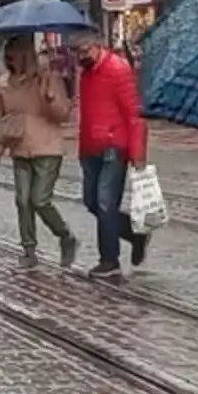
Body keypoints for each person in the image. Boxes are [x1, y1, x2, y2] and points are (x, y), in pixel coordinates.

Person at [0, 36, 78, 270]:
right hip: (19, 148)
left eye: (14, 57)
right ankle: (28, 249)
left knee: (40, 200)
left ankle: (65, 236)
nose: (10, 61)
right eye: (8, 57)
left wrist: (50, 96)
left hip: (47, 147)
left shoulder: (47, 78)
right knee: (22, 201)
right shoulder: (4, 84)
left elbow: (63, 114)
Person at [70, 31, 150, 278]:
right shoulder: (86, 74)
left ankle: (109, 260)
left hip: (114, 145)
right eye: (77, 53)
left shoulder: (118, 69)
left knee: (106, 202)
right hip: (91, 146)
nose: (82, 57)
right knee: (92, 201)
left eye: (85, 51)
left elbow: (133, 114)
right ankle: (135, 234)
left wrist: (137, 153)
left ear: (97, 46)